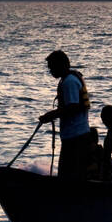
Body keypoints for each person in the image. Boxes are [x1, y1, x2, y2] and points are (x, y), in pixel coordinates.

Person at [36, 50, 90, 180]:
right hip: (75, 135)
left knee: (69, 175)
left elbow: (73, 107)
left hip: (76, 136)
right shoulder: (68, 79)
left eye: (52, 67)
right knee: (71, 174)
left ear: (61, 65)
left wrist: (50, 115)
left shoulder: (69, 82)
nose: (50, 71)